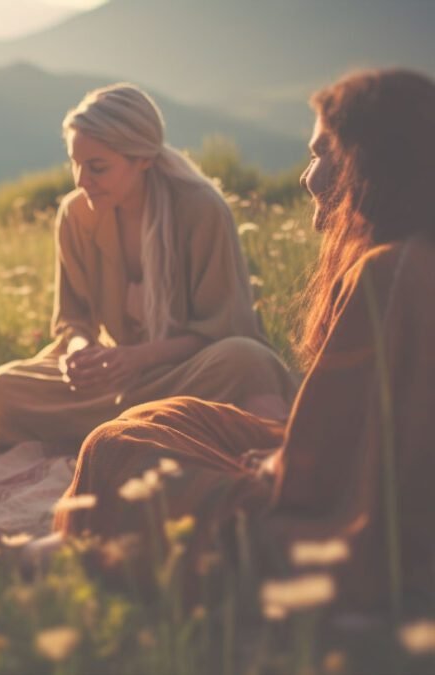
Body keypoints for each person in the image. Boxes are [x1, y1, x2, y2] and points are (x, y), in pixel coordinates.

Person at [55, 69, 435, 612]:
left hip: (333, 506)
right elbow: (344, 433)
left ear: (368, 162)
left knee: (116, 447)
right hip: (318, 463)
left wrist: (268, 466)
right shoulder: (405, 260)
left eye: (321, 155)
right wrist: (80, 354)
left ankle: (102, 543)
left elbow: (324, 474)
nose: (307, 178)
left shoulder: (389, 276)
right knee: (155, 419)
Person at [0, 84, 296, 450]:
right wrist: (81, 354)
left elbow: (224, 328)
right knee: (2, 390)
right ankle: (145, 429)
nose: (82, 181)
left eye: (97, 167)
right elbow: (74, 318)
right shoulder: (75, 214)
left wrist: (139, 358)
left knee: (246, 359)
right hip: (113, 381)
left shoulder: (201, 208)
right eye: (75, 163)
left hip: (183, 373)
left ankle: (121, 433)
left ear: (143, 159)